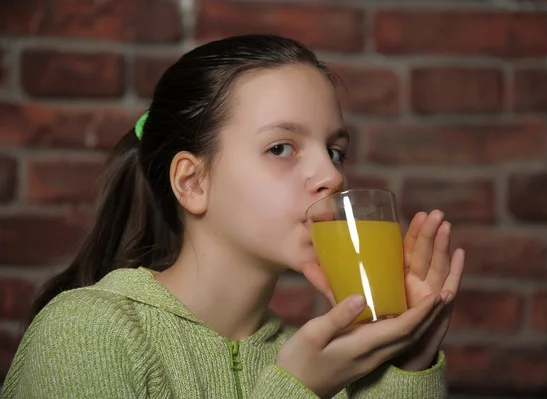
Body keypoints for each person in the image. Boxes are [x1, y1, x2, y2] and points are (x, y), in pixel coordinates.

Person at [1, 34, 465, 399]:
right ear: (192, 183)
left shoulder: (324, 358)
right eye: (281, 148)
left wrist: (407, 363)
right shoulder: (87, 333)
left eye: (335, 150)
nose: (330, 175)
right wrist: (296, 390)